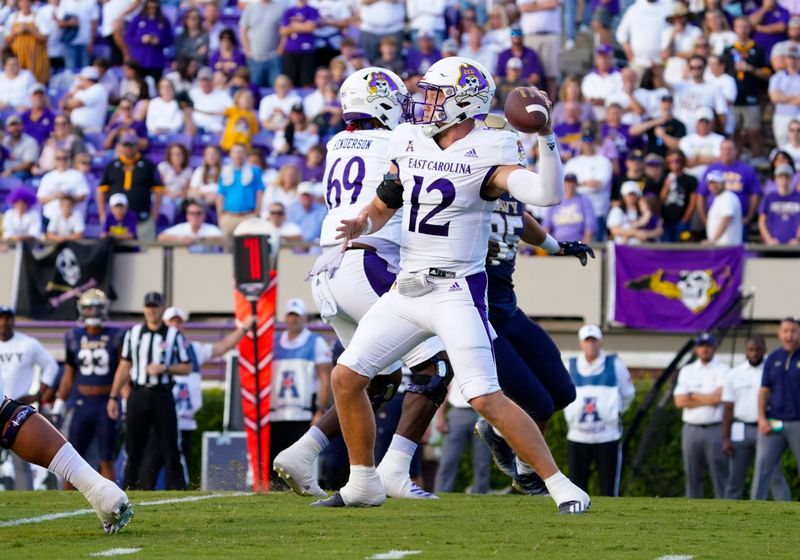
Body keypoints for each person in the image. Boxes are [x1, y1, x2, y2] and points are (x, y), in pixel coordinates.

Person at [321, 57, 589, 512]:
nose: (424, 102)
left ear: (463, 103)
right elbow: (388, 199)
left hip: (456, 290)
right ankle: (364, 482)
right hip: (407, 289)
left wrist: (545, 136)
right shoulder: (408, 139)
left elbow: (546, 195)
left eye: (435, 94)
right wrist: (361, 222)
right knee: (346, 378)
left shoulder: (491, 147)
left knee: (485, 396)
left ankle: (562, 485)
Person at [274, 67, 449, 501]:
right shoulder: (397, 141)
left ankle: (304, 452)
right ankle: (392, 472)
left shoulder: (337, 142)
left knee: (374, 378)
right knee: (434, 368)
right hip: (366, 264)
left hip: (328, 272)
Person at [0, 306, 132, 532]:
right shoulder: (79, 336)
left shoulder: (31, 342)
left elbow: (58, 371)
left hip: (99, 401)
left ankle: (99, 488)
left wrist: (39, 395)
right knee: (5, 413)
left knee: (106, 458)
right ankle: (99, 488)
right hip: (86, 402)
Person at [149, 306, 254, 486]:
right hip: (159, 418)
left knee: (179, 467)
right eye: (171, 321)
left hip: (185, 420)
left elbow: (222, 347)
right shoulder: (154, 348)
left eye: (178, 321)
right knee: (151, 464)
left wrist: (244, 328)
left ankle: (176, 494)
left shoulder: (193, 349)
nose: (175, 325)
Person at [106, 291, 191, 490]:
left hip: (162, 395)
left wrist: (166, 368)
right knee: (133, 446)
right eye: (148, 306)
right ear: (144, 309)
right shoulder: (134, 333)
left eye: (155, 306)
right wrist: (112, 396)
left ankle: (177, 491)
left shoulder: (173, 334)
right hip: (139, 394)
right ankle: (129, 490)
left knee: (170, 446)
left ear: (162, 308)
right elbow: (124, 366)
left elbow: (186, 367)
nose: (151, 310)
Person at [50, 290, 123, 486]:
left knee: (106, 458)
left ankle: (114, 501)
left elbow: (123, 372)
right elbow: (68, 375)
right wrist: (59, 406)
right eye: (88, 307)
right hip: (82, 404)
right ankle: (66, 504)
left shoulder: (117, 336)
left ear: (104, 308)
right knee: (71, 459)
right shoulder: (73, 336)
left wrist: (124, 402)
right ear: (82, 309)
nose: (92, 312)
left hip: (106, 404)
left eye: (96, 307)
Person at [563, 325, 634, 497]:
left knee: (608, 486)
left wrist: (613, 413)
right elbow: (561, 394)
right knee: (576, 485)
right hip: (578, 436)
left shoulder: (614, 365)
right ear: (581, 344)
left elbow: (628, 394)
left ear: (601, 342)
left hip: (607, 436)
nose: (591, 345)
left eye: (594, 341)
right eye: (587, 341)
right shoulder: (569, 365)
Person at [269, 298, 332, 487]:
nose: (293, 320)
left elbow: (325, 378)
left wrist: (320, 410)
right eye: (290, 315)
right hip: (276, 413)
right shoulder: (273, 343)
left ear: (304, 318)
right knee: (274, 460)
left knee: (300, 459)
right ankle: (273, 493)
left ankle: (303, 487)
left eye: (297, 316)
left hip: (303, 412)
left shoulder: (315, 342)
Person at [722, 335, 791, 500]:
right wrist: (725, 437)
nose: (754, 353)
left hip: (766, 428)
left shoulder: (774, 369)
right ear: (746, 351)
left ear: (764, 350)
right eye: (751, 350)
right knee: (735, 475)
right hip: (741, 427)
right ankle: (727, 512)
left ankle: (786, 509)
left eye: (757, 350)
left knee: (773, 473)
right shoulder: (734, 374)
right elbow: (728, 408)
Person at [0, 304, 58, 490]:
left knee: (22, 462)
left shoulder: (27, 344)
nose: (4, 322)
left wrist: (38, 394)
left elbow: (51, 366)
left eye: (8, 318)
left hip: (15, 408)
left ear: (13, 320)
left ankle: (25, 494)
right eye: (1, 318)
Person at [673, 333, 729, 499]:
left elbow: (719, 398)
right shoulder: (687, 370)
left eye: (708, 346)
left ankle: (725, 510)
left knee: (719, 474)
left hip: (715, 428)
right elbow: (679, 401)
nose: (705, 349)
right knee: (692, 474)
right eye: (702, 346)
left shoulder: (723, 369)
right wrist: (708, 397)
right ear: (696, 349)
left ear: (714, 348)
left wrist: (693, 394)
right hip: (691, 428)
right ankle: (692, 510)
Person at [752, 318, 800, 500]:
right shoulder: (772, 358)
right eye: (786, 331)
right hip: (774, 422)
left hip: (798, 422)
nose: (790, 335)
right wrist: (762, 419)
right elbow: (764, 391)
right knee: (763, 468)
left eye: (793, 331)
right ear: (779, 334)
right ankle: (754, 510)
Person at [97, 134, 163, 241]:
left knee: (145, 251)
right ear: (120, 147)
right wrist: (102, 214)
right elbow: (101, 191)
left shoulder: (147, 165)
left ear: (137, 146)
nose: (128, 148)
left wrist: (154, 215)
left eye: (131, 145)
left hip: (142, 218)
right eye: (125, 145)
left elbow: (158, 191)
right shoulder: (112, 165)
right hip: (118, 222)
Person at [721, 17, 771, 160]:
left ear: (749, 28)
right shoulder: (729, 50)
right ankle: (735, 160)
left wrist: (751, 69)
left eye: (745, 27)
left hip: (752, 96)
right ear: (734, 29)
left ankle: (757, 160)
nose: (742, 30)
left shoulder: (758, 49)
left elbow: (767, 73)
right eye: (739, 27)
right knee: (735, 132)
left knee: (754, 131)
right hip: (733, 99)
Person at [434, 383, 491, 494]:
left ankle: (481, 494)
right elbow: (446, 388)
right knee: (448, 459)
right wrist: (440, 416)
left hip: (484, 413)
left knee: (482, 460)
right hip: (458, 412)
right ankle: (441, 493)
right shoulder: (454, 365)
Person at [697, 140, 761, 233]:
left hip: (738, 220)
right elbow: (701, 195)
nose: (727, 152)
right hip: (715, 219)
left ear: (736, 151)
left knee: (735, 246)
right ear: (720, 151)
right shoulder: (711, 169)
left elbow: (755, 195)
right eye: (724, 149)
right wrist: (705, 219)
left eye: (730, 149)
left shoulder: (747, 170)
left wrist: (748, 217)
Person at [564, 129, 613, 241]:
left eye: (590, 139)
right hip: (574, 212)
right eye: (584, 139)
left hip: (597, 210)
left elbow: (597, 184)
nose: (587, 143)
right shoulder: (573, 162)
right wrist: (585, 183)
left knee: (596, 247)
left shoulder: (603, 161)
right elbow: (565, 186)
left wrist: (577, 184)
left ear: (595, 142)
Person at [217, 143, 264, 238]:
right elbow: (220, 194)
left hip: (248, 215)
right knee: (227, 246)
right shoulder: (225, 172)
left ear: (245, 154)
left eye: (240, 152)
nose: (238, 155)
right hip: (229, 216)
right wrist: (220, 214)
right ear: (230, 155)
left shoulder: (254, 171)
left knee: (250, 246)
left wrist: (257, 212)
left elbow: (259, 192)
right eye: (235, 152)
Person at [517, 0, 561, 98]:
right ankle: (529, 102)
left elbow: (554, 3)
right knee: (530, 73)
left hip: (550, 34)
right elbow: (523, 7)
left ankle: (551, 103)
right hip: (530, 35)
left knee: (551, 74)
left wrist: (535, 4)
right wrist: (544, 4)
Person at [124, 0, 174, 81]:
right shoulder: (137, 19)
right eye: (149, 7)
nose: (151, 10)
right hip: (139, 60)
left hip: (156, 61)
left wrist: (159, 41)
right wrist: (141, 39)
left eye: (154, 7)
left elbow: (170, 39)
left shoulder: (163, 20)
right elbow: (128, 37)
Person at [240, 0, 283, 88]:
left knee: (275, 88)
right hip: (254, 58)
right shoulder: (250, 8)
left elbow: (284, 32)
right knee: (254, 89)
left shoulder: (280, 8)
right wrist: (247, 51)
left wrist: (280, 50)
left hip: (273, 57)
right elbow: (243, 31)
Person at [542, 173, 596, 243]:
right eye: (567, 183)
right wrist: (549, 244)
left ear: (576, 184)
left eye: (573, 183)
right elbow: (546, 224)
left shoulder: (584, 200)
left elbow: (590, 223)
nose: (570, 185)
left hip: (578, 243)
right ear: (563, 184)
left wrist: (584, 243)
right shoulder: (555, 200)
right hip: (557, 244)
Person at [158, 199, 224, 253]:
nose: (195, 216)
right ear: (187, 216)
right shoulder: (181, 227)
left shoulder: (211, 229)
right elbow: (161, 237)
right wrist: (180, 239)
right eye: (191, 213)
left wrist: (198, 239)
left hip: (208, 264)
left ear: (204, 215)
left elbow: (222, 239)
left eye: (198, 213)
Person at [660, 150, 697, 242]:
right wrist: (666, 186)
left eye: (677, 160)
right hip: (666, 222)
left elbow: (693, 203)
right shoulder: (664, 177)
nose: (674, 164)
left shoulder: (691, 179)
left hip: (682, 221)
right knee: (666, 251)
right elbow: (661, 200)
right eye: (670, 161)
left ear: (682, 161)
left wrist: (684, 220)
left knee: (682, 250)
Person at [280, 0, 320, 87]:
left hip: (307, 50)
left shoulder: (312, 10)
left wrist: (293, 25)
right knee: (289, 80)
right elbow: (283, 31)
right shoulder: (288, 11)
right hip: (290, 50)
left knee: (307, 81)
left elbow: (310, 28)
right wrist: (302, 25)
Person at [758, 163, 800, 245]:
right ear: (776, 179)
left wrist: (798, 239)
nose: (784, 180)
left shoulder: (798, 197)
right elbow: (761, 221)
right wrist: (768, 239)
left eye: (787, 177)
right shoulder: (769, 197)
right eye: (781, 177)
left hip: (794, 247)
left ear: (791, 179)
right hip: (773, 246)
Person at [582, 44, 624, 122]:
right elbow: (587, 97)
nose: (603, 60)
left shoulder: (620, 76)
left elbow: (622, 96)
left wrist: (605, 101)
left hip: (614, 117)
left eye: (605, 57)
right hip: (592, 117)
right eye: (600, 58)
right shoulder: (589, 77)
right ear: (596, 60)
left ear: (611, 58)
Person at [62, 66, 109, 134]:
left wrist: (67, 102)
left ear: (87, 79)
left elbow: (75, 104)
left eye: (81, 79)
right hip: (77, 130)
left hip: (91, 131)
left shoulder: (98, 88)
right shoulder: (81, 91)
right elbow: (63, 106)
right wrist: (72, 92)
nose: (78, 81)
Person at [704, 170, 744, 245]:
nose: (713, 186)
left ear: (723, 183)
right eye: (711, 183)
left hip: (726, 247)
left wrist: (713, 240)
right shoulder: (720, 198)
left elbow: (726, 219)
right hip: (721, 246)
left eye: (716, 183)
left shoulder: (727, 198)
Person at [2, 114, 38, 179]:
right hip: (3, 170)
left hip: (21, 172)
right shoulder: (5, 140)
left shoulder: (30, 142)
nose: (15, 128)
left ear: (22, 126)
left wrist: (10, 170)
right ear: (7, 128)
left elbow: (28, 163)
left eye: (17, 125)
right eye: (12, 125)